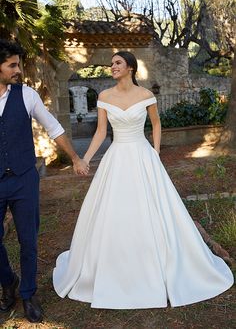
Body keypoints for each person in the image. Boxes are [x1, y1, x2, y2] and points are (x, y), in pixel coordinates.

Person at [53, 51, 234, 309]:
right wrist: (85, 159)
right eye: (112, 63)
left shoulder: (146, 95)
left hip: (142, 154)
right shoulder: (104, 97)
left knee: (154, 207)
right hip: (117, 156)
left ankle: (163, 263)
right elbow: (102, 132)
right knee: (114, 209)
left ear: (130, 68)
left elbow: (156, 124)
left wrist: (155, 152)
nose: (112, 66)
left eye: (117, 63)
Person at [0, 39, 89, 323]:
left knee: (28, 241)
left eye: (19, 64)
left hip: (25, 179)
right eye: (12, 65)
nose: (18, 69)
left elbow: (54, 128)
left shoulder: (27, 95)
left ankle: (27, 294)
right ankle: (8, 282)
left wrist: (75, 158)